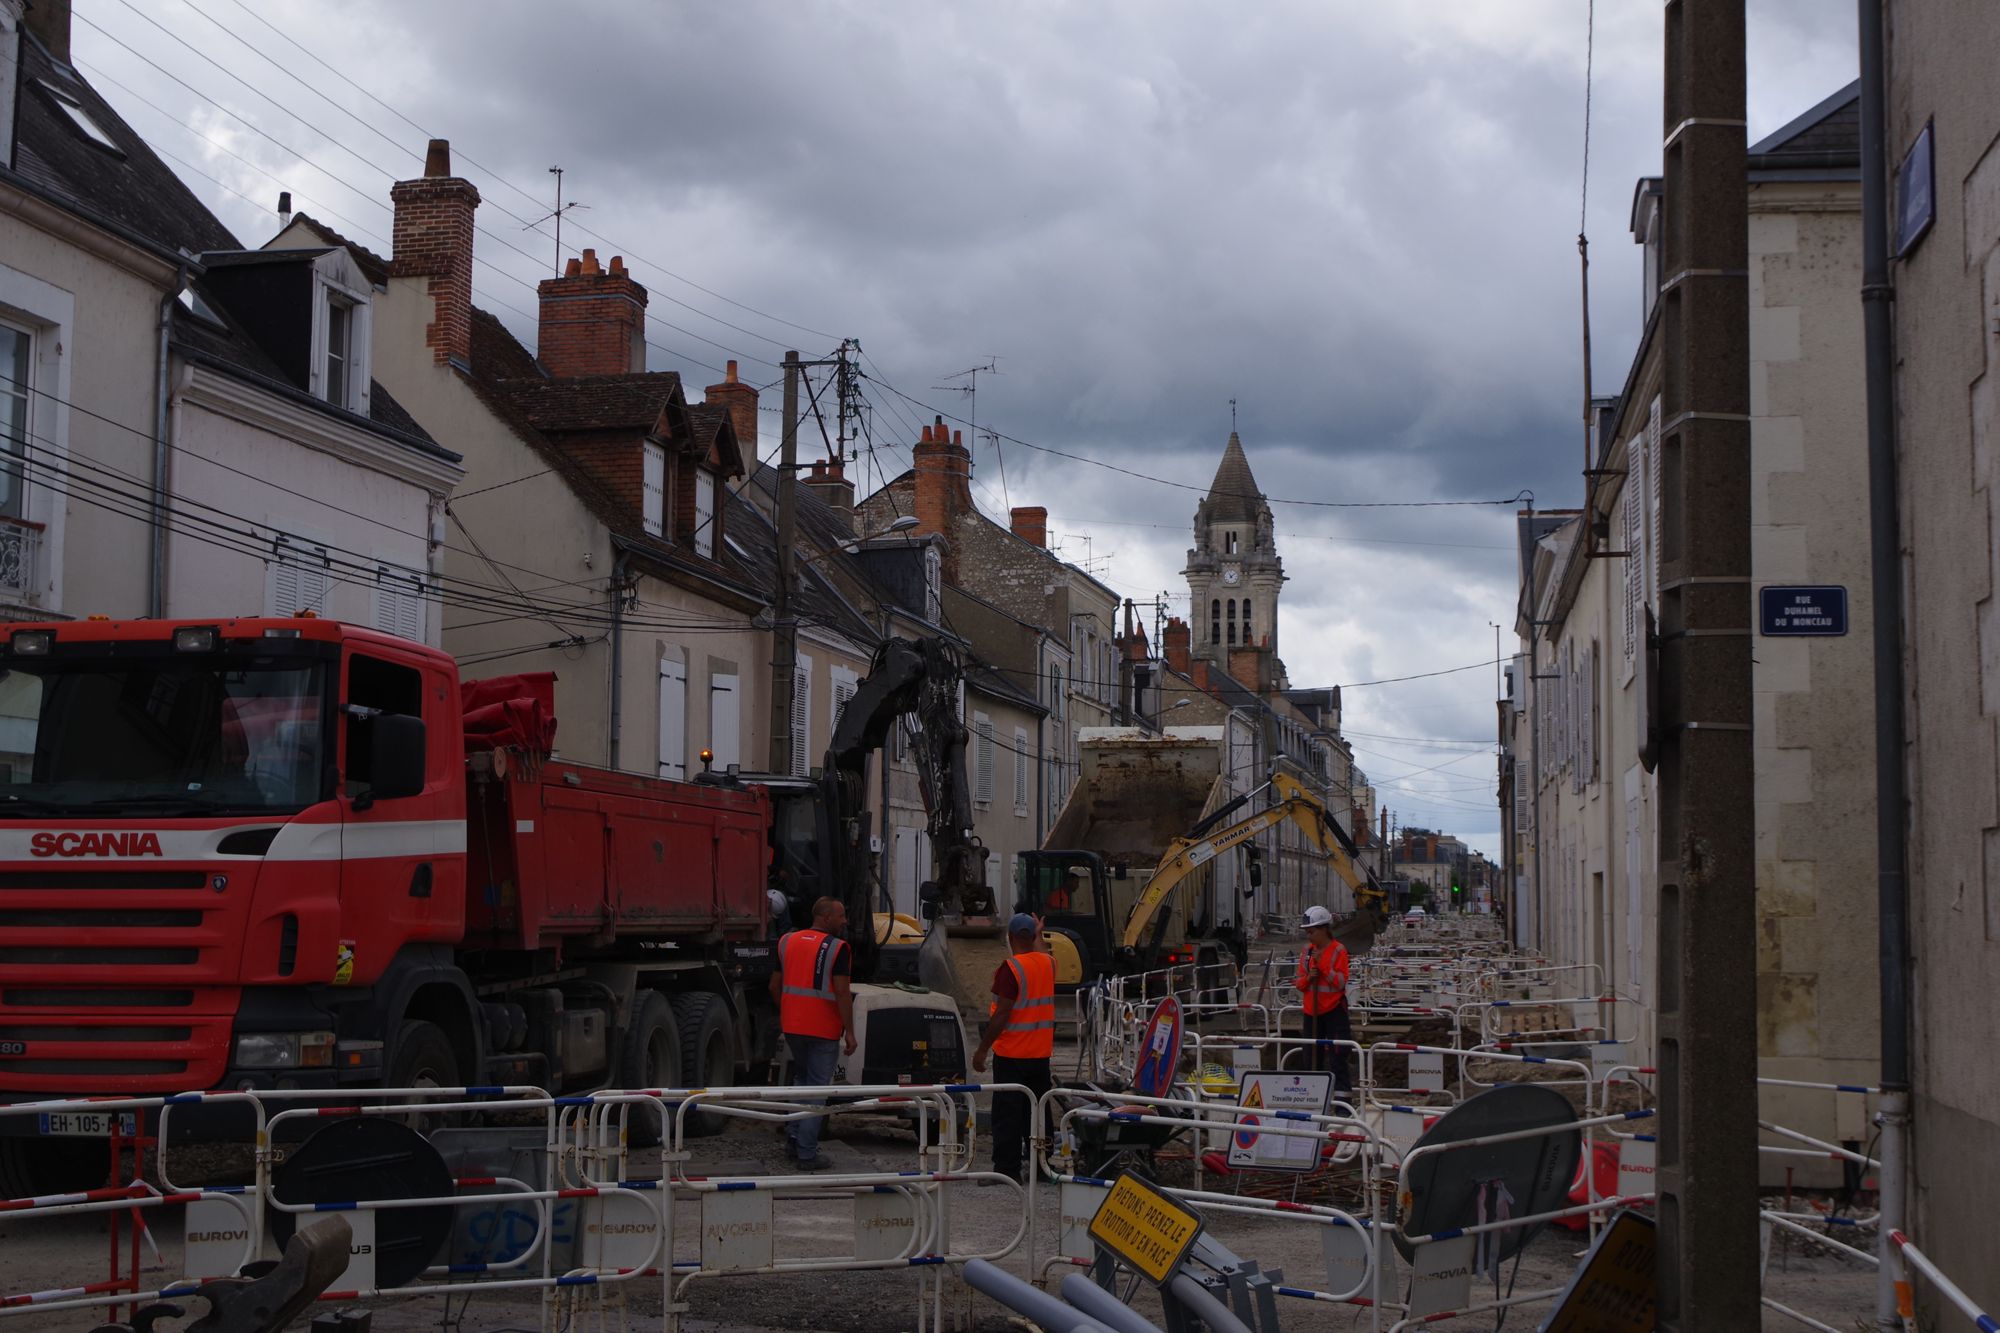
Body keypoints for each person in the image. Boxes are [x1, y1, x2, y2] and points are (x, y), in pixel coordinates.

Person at [769, 896, 857, 1171]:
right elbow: (842, 992)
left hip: (793, 1027)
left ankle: (794, 1141)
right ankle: (807, 1153)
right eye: (841, 916)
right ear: (825, 917)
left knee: (801, 1082)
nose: (845, 922)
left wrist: (789, 1010)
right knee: (817, 1090)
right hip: (822, 1030)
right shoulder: (838, 948)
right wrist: (850, 1031)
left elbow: (774, 986)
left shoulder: (786, 942)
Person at [971, 913, 1055, 1184]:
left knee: (1007, 1113)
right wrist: (1039, 934)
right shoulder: (1048, 963)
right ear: (1031, 937)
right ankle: (1042, 1166)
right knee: (1039, 1111)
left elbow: (1001, 1014)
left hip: (1012, 1054)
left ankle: (1007, 1170)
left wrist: (982, 1049)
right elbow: (1041, 953)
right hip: (1040, 1054)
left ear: (1009, 937)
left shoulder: (1011, 969)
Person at [1296, 905, 1354, 1101]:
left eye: (1311, 932)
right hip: (1311, 1012)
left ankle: (1342, 1102)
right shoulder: (1307, 952)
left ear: (1323, 929)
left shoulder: (1338, 950)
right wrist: (1309, 978)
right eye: (1307, 932)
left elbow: (1340, 982)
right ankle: (1314, 1099)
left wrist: (1322, 967)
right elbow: (1299, 982)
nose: (1309, 936)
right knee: (1311, 1057)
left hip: (1334, 1009)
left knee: (1338, 1055)